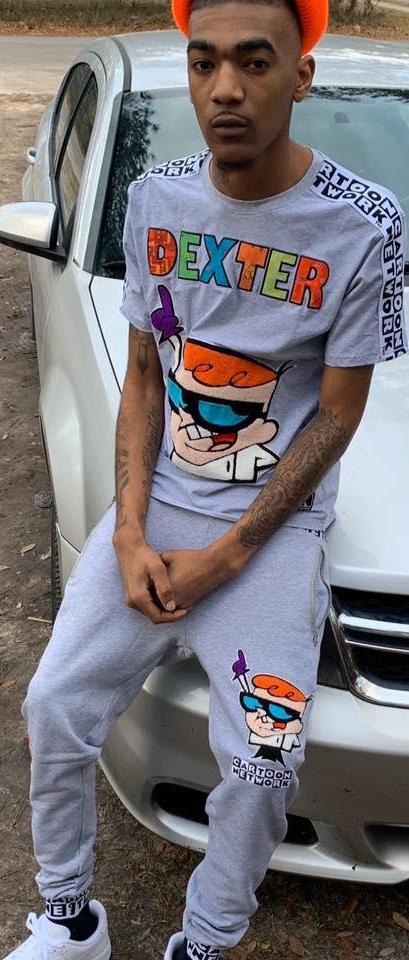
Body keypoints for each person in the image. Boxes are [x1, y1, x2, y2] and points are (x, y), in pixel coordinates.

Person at [5, 0, 407, 957]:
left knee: (265, 763)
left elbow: (337, 415)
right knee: (53, 706)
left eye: (254, 62)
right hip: (158, 515)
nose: (225, 88)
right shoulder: (155, 199)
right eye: (204, 62)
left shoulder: (363, 225)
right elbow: (145, 378)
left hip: (270, 537)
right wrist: (129, 532)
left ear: (299, 75)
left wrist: (224, 557)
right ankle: (70, 919)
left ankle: (205, 938)